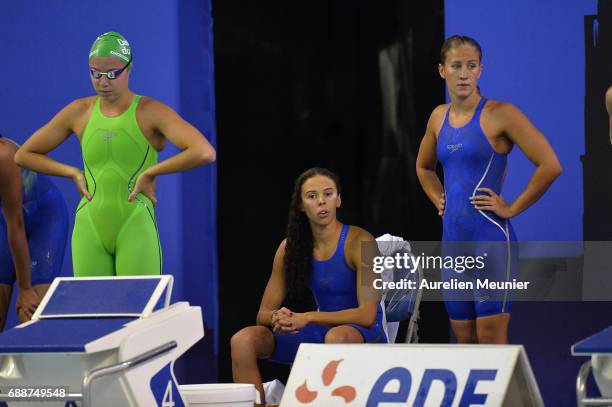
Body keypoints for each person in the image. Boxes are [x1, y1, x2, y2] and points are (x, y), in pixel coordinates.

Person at [15, 32, 215, 276]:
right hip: (89, 224)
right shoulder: (80, 112)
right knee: (93, 312)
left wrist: (152, 172)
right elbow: (24, 154)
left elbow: (204, 151)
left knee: (139, 312)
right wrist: (73, 173)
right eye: (95, 73)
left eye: (112, 73)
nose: (103, 82)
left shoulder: (150, 111)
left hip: (134, 223)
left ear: (129, 69)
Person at [416, 35, 562, 344]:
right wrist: (438, 199)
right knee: (465, 344)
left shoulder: (500, 114)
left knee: (491, 339)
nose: (464, 73)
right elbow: (423, 168)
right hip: (453, 247)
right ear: (443, 71)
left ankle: (511, 395)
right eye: (456, 66)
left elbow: (550, 165)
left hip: (490, 242)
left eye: (471, 66)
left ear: (481, 70)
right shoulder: (437, 117)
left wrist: (512, 207)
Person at [231, 167, 386, 405]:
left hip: (360, 332)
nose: (321, 201)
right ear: (301, 205)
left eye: (328, 193)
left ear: (339, 199)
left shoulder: (360, 241)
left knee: (335, 338)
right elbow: (262, 314)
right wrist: (279, 317)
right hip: (320, 330)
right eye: (312, 196)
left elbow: (367, 315)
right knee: (243, 340)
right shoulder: (289, 248)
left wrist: (308, 317)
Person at [0, 134, 68, 329]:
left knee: (30, 309)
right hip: (6, 222)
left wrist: (25, 288)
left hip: (44, 218)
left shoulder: (4, 156)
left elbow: (16, 224)